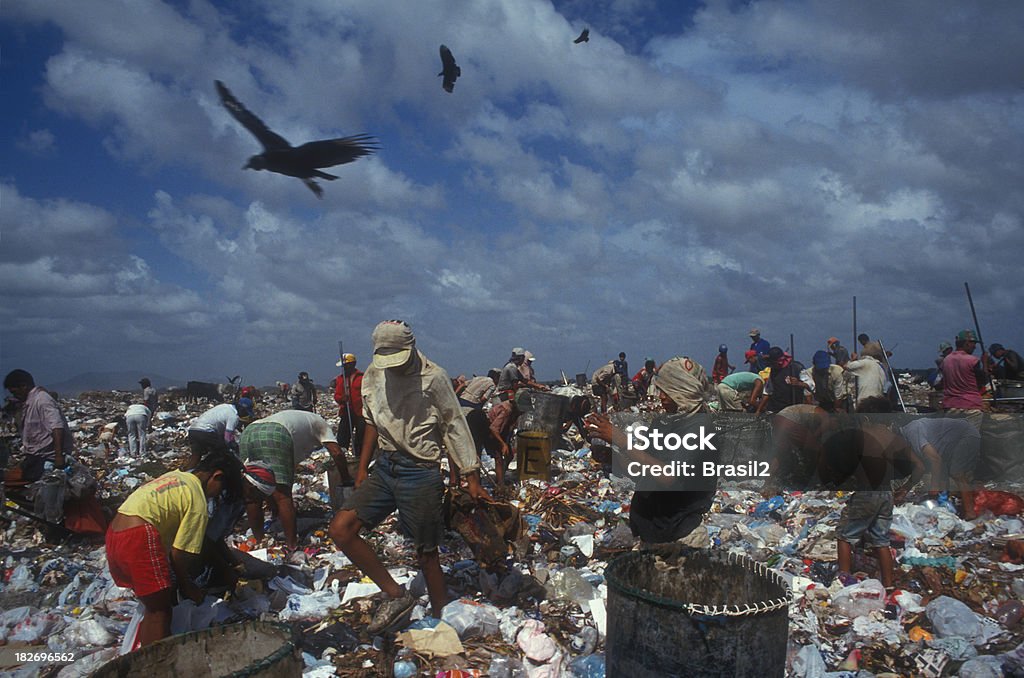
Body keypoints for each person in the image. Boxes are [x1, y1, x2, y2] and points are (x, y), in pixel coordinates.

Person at [329, 320, 492, 634]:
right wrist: (362, 468)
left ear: (412, 348)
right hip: (386, 466)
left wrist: (472, 477)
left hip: (421, 471)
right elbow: (372, 422)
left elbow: (454, 426)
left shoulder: (433, 378)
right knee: (341, 529)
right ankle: (397, 595)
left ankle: (444, 623)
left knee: (426, 553)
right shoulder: (374, 374)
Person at [106, 452, 242, 647]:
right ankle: (156, 664)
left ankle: (143, 655)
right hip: (138, 536)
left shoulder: (176, 476)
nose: (215, 496)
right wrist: (188, 586)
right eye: (220, 490)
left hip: (114, 534)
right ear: (216, 476)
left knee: (153, 606)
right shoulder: (198, 500)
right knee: (160, 611)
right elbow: (179, 555)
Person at [586, 355, 714, 544]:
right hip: (652, 532)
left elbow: (668, 476)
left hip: (680, 536)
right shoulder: (663, 423)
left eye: (668, 391)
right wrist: (612, 458)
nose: (661, 397)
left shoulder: (699, 429)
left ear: (685, 391)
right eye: (662, 390)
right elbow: (644, 468)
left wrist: (621, 440)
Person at [241, 409, 352, 550]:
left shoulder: (299, 422)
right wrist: (346, 479)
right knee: (283, 496)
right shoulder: (321, 423)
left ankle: (259, 542)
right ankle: (292, 545)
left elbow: (270, 481)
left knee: (252, 492)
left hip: (249, 432)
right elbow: (337, 452)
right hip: (275, 433)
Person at [896, 417, 980, 520]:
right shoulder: (906, 440)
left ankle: (970, 512)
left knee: (957, 473)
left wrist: (934, 487)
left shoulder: (912, 432)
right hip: (951, 441)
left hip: (966, 435)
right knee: (943, 474)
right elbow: (920, 467)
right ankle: (944, 507)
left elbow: (935, 459)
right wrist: (905, 489)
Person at [2, 369, 72, 483]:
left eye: (15, 392)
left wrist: (58, 456)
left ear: (24, 386)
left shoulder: (42, 400)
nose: (15, 396)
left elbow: (57, 427)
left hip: (47, 459)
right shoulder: (30, 402)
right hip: (35, 457)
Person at [186, 398, 254, 468]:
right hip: (205, 432)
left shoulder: (225, 406)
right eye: (245, 412)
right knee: (224, 454)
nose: (245, 415)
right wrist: (236, 449)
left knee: (195, 457)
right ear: (241, 409)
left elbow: (221, 433)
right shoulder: (234, 416)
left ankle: (184, 473)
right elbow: (228, 439)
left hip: (193, 430)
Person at [940, 330, 987, 427]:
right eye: (973, 344)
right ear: (966, 343)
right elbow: (983, 380)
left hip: (951, 406)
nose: (974, 347)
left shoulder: (946, 360)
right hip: (971, 406)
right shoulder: (972, 360)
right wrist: (985, 363)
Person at [756, 348, 810, 414]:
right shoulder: (773, 371)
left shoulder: (796, 368)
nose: (780, 363)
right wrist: (758, 410)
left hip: (793, 409)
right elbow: (768, 391)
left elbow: (810, 385)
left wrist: (798, 383)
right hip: (776, 409)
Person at [334, 353, 366, 457]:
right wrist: (341, 399)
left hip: (360, 412)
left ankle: (359, 457)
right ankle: (341, 456)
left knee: (361, 437)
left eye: (345, 365)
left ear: (352, 364)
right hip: (346, 411)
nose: (344, 368)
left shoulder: (362, 377)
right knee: (343, 436)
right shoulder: (340, 379)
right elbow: (337, 396)